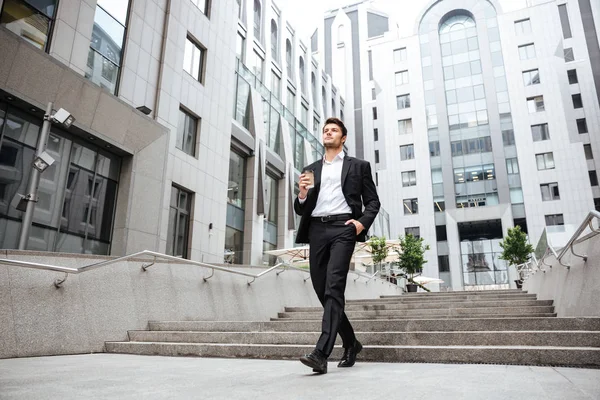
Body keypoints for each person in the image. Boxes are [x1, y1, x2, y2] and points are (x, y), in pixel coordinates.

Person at [294, 117, 381, 374]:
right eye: (325, 130)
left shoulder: (359, 166)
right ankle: (351, 342)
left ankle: (321, 353)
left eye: (334, 130)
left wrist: (361, 224)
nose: (328, 132)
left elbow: (373, 202)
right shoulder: (310, 169)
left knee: (334, 286)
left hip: (344, 228)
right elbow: (301, 209)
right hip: (317, 230)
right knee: (322, 290)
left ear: (343, 138)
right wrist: (301, 194)